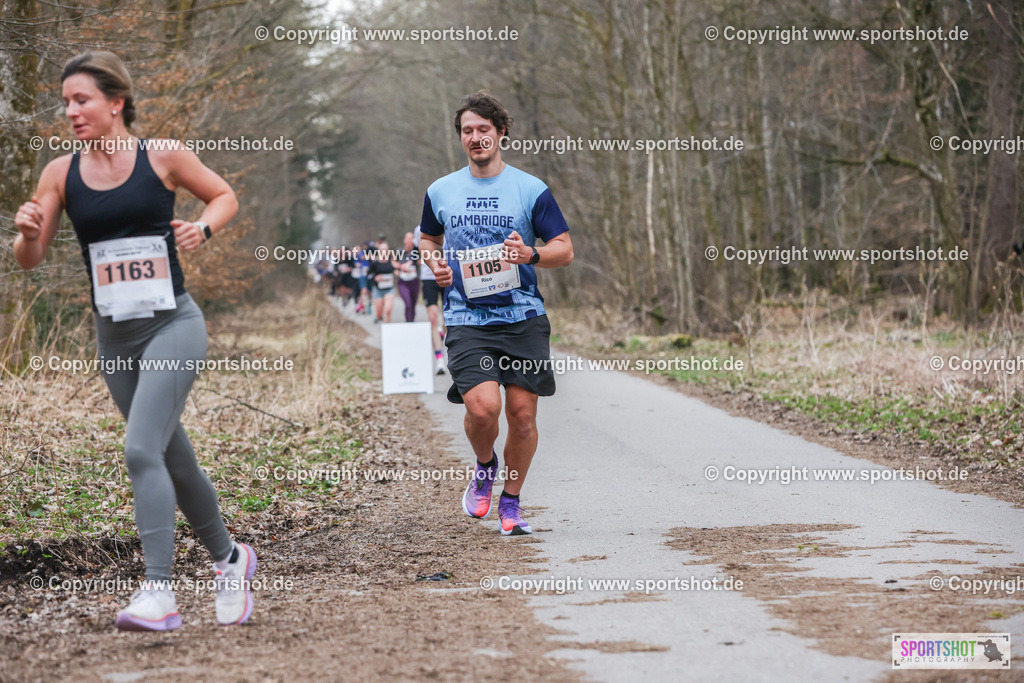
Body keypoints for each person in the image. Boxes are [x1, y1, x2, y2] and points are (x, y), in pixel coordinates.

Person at [12, 51, 257, 631]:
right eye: (66, 101)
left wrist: (202, 227)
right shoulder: (59, 173)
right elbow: (31, 258)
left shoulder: (162, 155)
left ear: (115, 102)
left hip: (173, 324)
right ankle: (229, 560)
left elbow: (223, 195)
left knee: (140, 449)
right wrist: (23, 235)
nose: (70, 111)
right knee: (171, 453)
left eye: (82, 100)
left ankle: (159, 593)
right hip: (114, 338)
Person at [419, 91, 573, 535]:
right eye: (468, 131)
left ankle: (511, 501)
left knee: (523, 416)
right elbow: (428, 241)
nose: (476, 137)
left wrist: (530, 254)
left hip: (522, 315)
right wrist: (435, 263)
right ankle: (485, 466)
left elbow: (564, 250)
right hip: (467, 316)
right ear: (461, 138)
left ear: (501, 132)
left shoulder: (531, 189)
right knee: (483, 409)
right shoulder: (440, 190)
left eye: (484, 129)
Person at [414, 225, 447, 374]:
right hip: (429, 277)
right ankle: (439, 361)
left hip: (448, 274)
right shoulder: (419, 229)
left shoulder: (451, 223)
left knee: (448, 320)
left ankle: (442, 335)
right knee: (433, 318)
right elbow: (416, 250)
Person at [368, 236, 397, 323]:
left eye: (386, 250)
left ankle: (387, 330)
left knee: (387, 311)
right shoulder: (375, 263)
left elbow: (397, 268)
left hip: (389, 289)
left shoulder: (391, 261)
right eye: (382, 250)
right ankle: (379, 317)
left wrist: (396, 271)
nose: (384, 252)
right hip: (378, 290)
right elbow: (368, 275)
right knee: (379, 313)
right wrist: (375, 278)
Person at [395, 231, 419, 323]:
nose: (409, 240)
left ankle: (411, 323)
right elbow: (393, 262)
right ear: (404, 240)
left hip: (414, 281)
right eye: (407, 238)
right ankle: (408, 323)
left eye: (411, 238)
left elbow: (421, 262)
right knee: (408, 304)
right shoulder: (399, 251)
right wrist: (399, 267)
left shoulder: (416, 252)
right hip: (403, 281)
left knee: (413, 305)